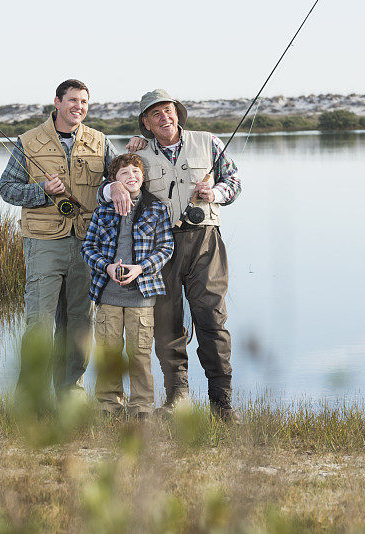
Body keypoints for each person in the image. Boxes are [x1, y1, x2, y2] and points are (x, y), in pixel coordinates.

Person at [100, 89, 242, 422]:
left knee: (212, 321)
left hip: (206, 242)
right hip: (157, 248)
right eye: (156, 114)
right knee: (166, 325)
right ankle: (178, 399)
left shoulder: (209, 142)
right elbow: (108, 186)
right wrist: (115, 187)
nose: (165, 118)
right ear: (146, 124)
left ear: (177, 113)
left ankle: (221, 404)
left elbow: (234, 180)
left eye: (169, 111)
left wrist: (216, 192)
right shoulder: (137, 154)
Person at [0, 79, 120, 399]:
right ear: (57, 102)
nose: (78, 107)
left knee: (80, 323)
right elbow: (7, 189)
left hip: (86, 243)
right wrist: (42, 191)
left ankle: (71, 395)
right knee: (39, 323)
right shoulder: (28, 141)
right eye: (72, 100)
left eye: (83, 102)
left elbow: (121, 179)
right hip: (43, 243)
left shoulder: (100, 141)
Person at [82, 153, 174, 419]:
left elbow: (166, 247)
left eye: (136, 172)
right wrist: (106, 266)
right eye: (124, 173)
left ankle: (141, 406)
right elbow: (88, 247)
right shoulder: (103, 210)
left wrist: (141, 268)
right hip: (108, 295)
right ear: (114, 181)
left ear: (143, 177)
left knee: (140, 354)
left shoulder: (157, 208)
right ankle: (109, 405)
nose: (131, 177)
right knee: (109, 352)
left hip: (142, 296)